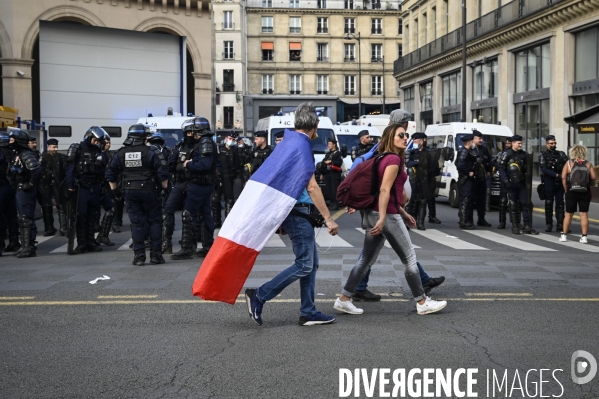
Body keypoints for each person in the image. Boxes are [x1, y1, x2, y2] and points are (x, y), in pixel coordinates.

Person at [333, 123, 447, 316]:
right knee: (409, 258)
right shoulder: (393, 159)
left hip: (375, 213)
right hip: (385, 216)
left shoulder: (381, 158)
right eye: (400, 135)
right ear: (390, 139)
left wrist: (403, 212)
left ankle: (344, 299)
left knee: (366, 260)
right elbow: (385, 190)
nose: (405, 138)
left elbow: (386, 193)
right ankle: (422, 301)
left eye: (406, 135)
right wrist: (385, 217)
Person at [245, 102, 339, 326]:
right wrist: (328, 218)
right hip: (298, 212)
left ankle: (308, 311)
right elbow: (312, 186)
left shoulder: (288, 142)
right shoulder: (302, 146)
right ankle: (259, 295)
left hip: (293, 211)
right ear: (315, 125)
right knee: (305, 264)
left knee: (310, 264)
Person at [106, 124, 169, 265]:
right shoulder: (152, 151)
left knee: (136, 223)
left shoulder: (121, 153)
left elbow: (110, 173)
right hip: (150, 191)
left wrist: (115, 191)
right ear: (145, 137)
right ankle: (155, 256)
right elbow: (162, 174)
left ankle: (139, 257)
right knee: (154, 222)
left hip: (129, 191)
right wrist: (164, 188)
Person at [171, 117, 218, 260]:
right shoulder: (205, 142)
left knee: (188, 214)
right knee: (205, 215)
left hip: (199, 184)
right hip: (203, 184)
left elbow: (205, 165)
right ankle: (207, 246)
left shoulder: (204, 142)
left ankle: (187, 248)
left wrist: (188, 165)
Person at [65, 126, 107, 254]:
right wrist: (70, 185)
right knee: (81, 215)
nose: (96, 142)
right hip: (81, 187)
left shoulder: (98, 150)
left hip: (95, 187)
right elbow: (70, 168)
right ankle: (81, 243)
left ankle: (90, 241)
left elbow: (103, 168)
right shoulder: (77, 148)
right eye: (95, 140)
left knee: (93, 216)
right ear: (89, 137)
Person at [7, 129, 42, 258]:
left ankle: (27, 247)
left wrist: (31, 184)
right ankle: (26, 245)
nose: (10, 142)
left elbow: (36, 169)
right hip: (21, 189)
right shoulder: (18, 153)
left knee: (25, 218)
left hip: (25, 190)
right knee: (23, 217)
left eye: (12, 140)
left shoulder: (26, 154)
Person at [498, 135, 538, 235]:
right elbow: (501, 168)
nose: (520, 145)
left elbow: (527, 169)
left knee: (525, 204)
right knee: (513, 204)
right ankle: (515, 225)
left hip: (522, 183)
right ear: (513, 143)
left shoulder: (524, 154)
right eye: (518, 143)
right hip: (511, 183)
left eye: (521, 143)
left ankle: (527, 225)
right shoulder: (507, 154)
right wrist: (506, 181)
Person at [560, 145, 596, 243]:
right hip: (585, 191)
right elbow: (593, 177)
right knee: (584, 214)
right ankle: (584, 237)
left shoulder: (569, 163)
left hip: (571, 191)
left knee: (568, 214)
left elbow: (563, 177)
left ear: (573, 152)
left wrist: (565, 189)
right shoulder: (588, 164)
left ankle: (564, 235)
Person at [39, 138, 67, 237]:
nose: (55, 149)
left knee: (61, 206)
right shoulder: (44, 157)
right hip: (46, 184)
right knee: (47, 206)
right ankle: (49, 228)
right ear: (48, 147)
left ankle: (64, 228)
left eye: (56, 147)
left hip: (57, 184)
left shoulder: (60, 157)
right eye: (53, 147)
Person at [539, 135, 568, 232]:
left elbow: (567, 165)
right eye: (551, 143)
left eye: (554, 143)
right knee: (549, 202)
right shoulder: (543, 155)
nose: (553, 145)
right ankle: (549, 224)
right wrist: (556, 175)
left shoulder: (561, 154)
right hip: (549, 181)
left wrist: (563, 176)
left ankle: (560, 224)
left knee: (560, 203)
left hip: (560, 181)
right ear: (547, 145)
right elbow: (544, 169)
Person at [212, 132, 239, 228]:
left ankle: (228, 222)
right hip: (219, 177)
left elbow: (237, 164)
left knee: (229, 200)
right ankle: (216, 222)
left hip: (230, 177)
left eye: (233, 139)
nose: (231, 140)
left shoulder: (236, 150)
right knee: (215, 199)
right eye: (230, 138)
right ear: (226, 138)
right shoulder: (219, 149)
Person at [0, 133, 20, 253]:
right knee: (12, 216)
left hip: (1, 187)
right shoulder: (14, 153)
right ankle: (14, 242)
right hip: (12, 187)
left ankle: (1, 244)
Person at [95, 134, 116, 246]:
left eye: (109, 143)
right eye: (105, 143)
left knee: (110, 210)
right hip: (94, 187)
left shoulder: (107, 155)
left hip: (104, 187)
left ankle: (103, 235)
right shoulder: (97, 154)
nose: (108, 145)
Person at [472, 129, 492, 227]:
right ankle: (468, 219)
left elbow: (489, 160)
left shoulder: (483, 149)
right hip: (472, 179)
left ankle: (481, 219)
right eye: (479, 138)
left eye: (481, 138)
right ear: (474, 138)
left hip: (482, 178)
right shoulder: (469, 149)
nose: (481, 140)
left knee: (481, 200)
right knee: (470, 200)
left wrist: (489, 171)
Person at [456, 135, 477, 230]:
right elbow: (460, 164)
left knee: (468, 200)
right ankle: (463, 221)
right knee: (465, 200)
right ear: (469, 143)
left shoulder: (468, 152)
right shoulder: (464, 151)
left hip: (467, 180)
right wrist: (468, 173)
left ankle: (466, 220)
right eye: (472, 142)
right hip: (465, 180)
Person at [319, 138, 343, 210]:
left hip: (334, 174)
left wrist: (331, 161)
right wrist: (321, 173)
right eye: (328, 144)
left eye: (330, 144)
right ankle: (332, 203)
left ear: (334, 145)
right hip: (327, 173)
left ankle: (336, 204)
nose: (328, 145)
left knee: (334, 189)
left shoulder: (338, 153)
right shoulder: (328, 154)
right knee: (328, 190)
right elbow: (323, 163)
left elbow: (339, 163)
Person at [493, 138, 512, 229]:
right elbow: (496, 164)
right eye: (506, 143)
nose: (507, 145)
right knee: (503, 202)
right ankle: (502, 222)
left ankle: (514, 222)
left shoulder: (514, 154)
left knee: (514, 202)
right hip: (504, 181)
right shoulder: (501, 154)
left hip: (514, 180)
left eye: (509, 143)